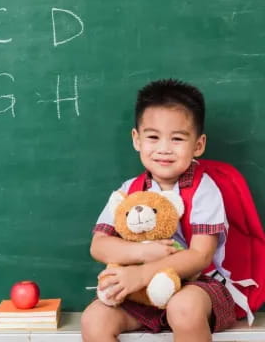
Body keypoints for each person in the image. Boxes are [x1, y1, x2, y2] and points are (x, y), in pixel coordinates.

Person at [81, 79, 237, 342]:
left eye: (177, 139)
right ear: (136, 139)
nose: (164, 148)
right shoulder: (128, 191)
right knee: (93, 320)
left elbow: (200, 255)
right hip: (139, 292)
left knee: (183, 309)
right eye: (153, 137)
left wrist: (142, 272)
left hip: (196, 287)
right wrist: (141, 255)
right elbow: (99, 246)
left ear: (198, 145)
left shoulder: (203, 189)